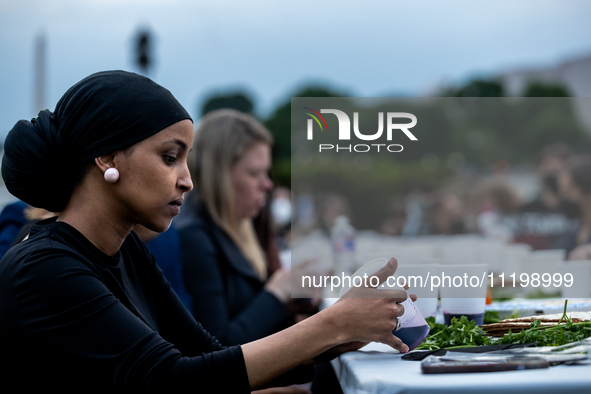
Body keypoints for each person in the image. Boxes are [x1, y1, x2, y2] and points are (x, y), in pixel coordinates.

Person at [0, 71, 410, 393]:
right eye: (169, 157)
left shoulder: (126, 251)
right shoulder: (44, 270)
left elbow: (212, 356)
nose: (187, 181)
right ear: (106, 156)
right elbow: (172, 381)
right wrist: (331, 325)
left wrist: (342, 337)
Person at [177, 110, 314, 346]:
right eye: (254, 173)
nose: (267, 184)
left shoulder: (244, 225)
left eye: (266, 172)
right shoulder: (193, 236)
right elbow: (217, 347)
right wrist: (277, 292)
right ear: (218, 175)